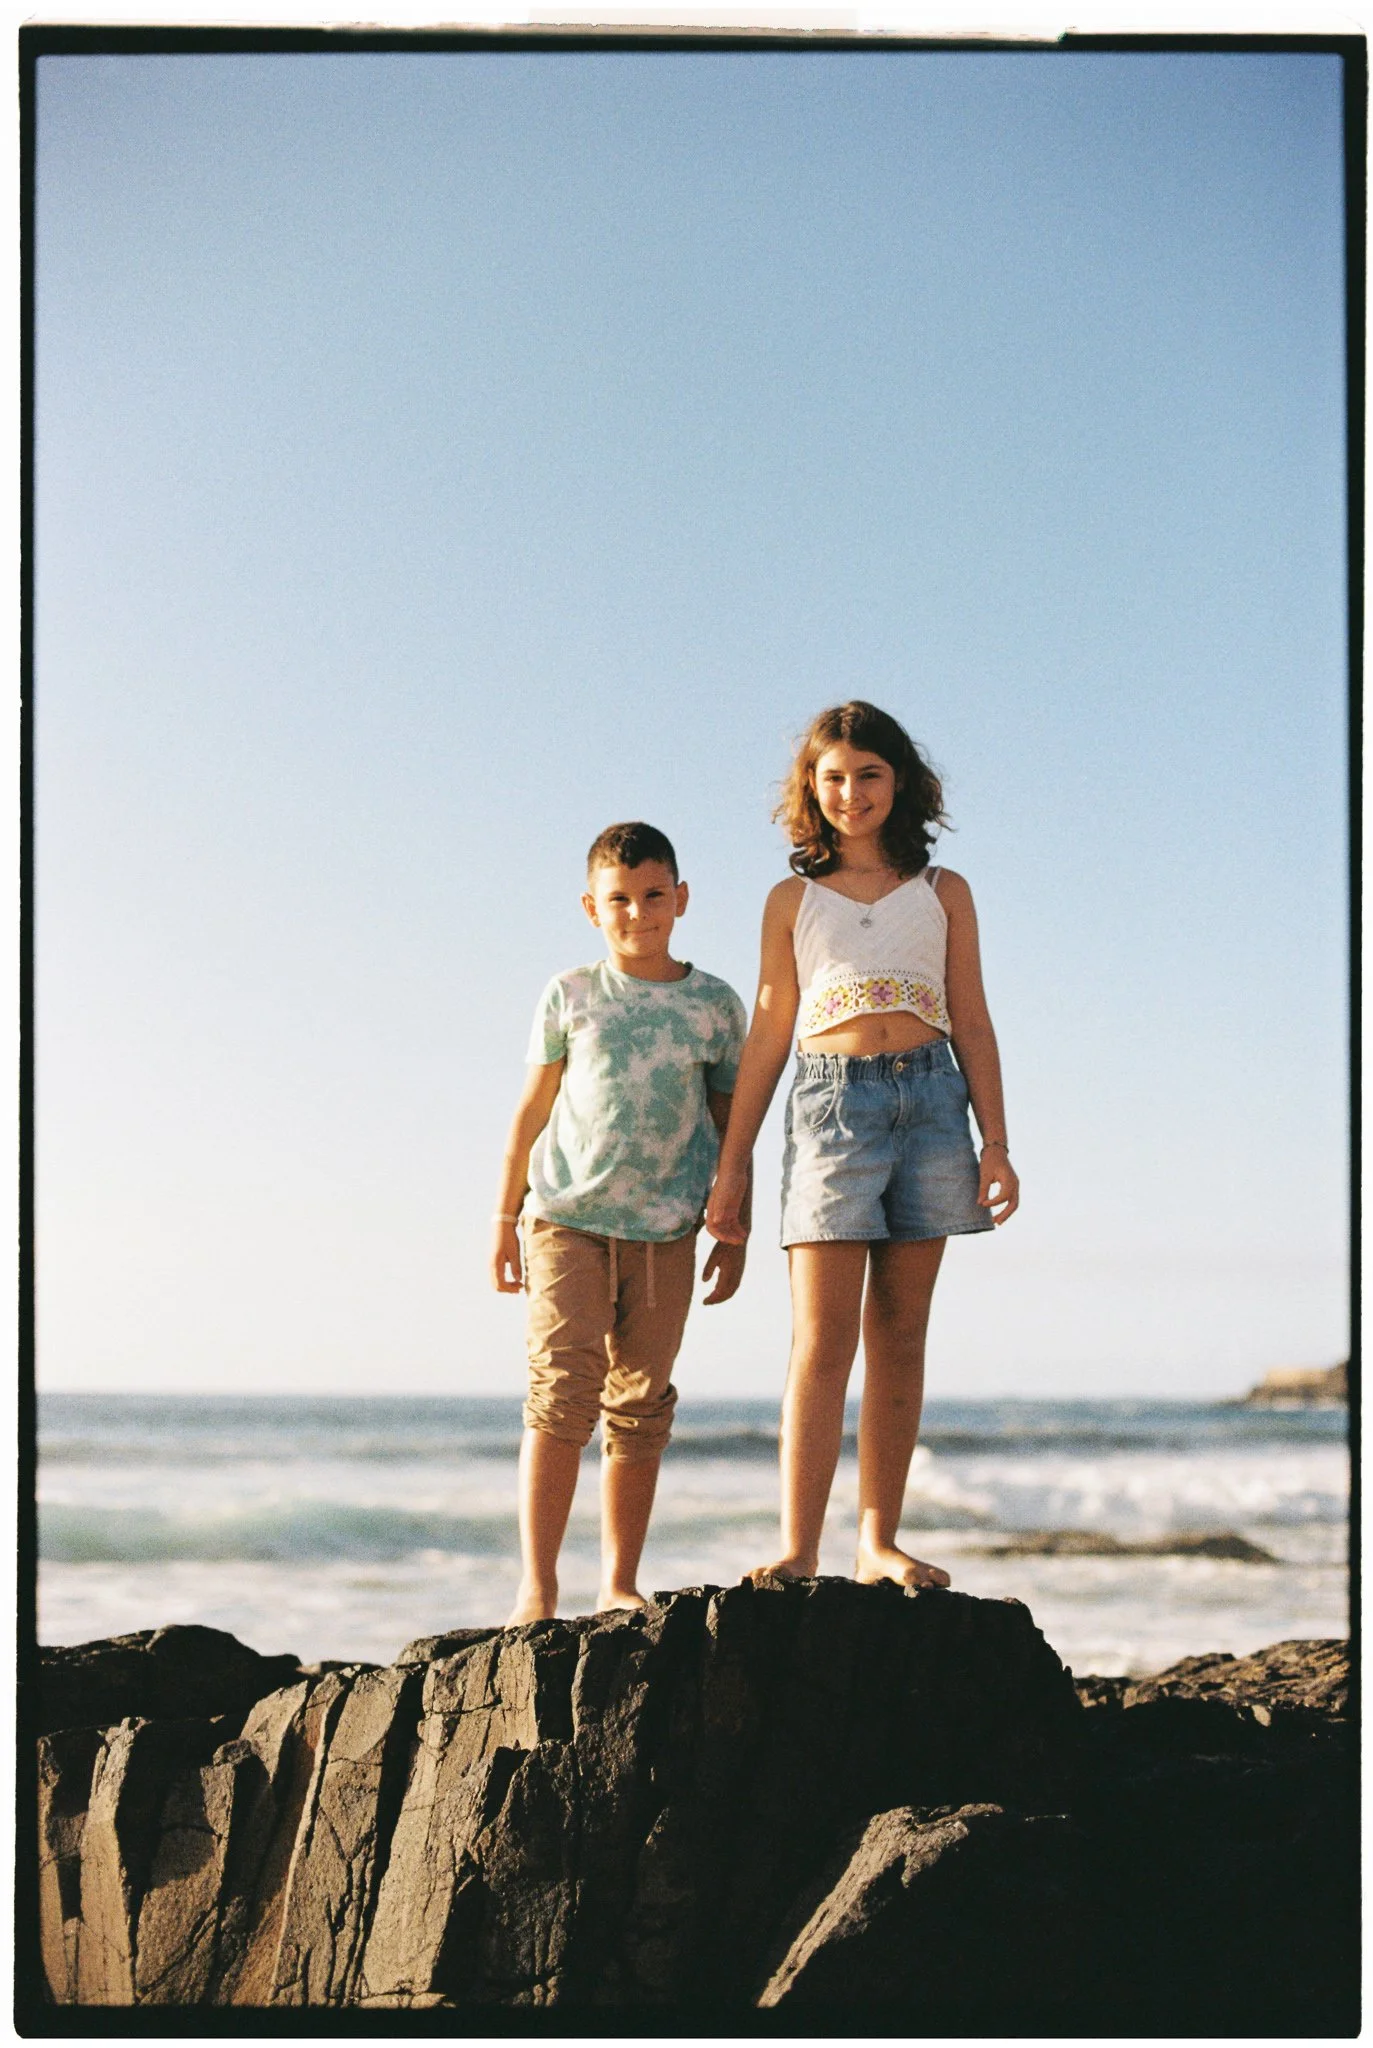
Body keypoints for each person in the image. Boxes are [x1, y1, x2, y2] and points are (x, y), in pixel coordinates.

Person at [705, 702, 1018, 1592]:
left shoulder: (943, 890)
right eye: (833, 777)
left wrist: (995, 1142)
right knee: (821, 1338)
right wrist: (733, 1163)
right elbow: (769, 1031)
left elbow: (972, 1018)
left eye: (868, 774)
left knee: (901, 1334)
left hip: (932, 1107)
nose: (851, 793)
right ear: (810, 787)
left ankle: (878, 1541)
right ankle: (798, 1547)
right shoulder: (791, 900)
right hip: (829, 1109)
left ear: (899, 780)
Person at [491, 821, 749, 1624]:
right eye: (619, 900)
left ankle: (618, 1582)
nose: (638, 913)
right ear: (591, 907)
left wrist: (733, 1227)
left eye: (653, 896)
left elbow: (730, 1125)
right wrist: (502, 1216)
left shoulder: (714, 1005)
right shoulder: (571, 993)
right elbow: (532, 1109)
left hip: (667, 1229)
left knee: (640, 1407)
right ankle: (537, 1588)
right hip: (565, 1218)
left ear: (681, 898)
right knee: (560, 1395)